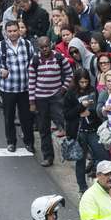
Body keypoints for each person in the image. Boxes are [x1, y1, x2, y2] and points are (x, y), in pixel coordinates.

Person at [0, 20, 36, 153]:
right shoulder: (0, 46)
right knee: (8, 117)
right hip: (7, 89)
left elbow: (34, 61)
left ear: (19, 31)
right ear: (6, 32)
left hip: (25, 89)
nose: (13, 33)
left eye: (15, 30)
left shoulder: (27, 45)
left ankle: (29, 142)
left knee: (26, 118)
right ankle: (11, 142)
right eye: (10, 31)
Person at [28, 36, 73, 167]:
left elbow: (69, 74)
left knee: (63, 123)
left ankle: (70, 152)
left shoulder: (59, 58)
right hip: (40, 98)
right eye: (42, 47)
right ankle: (48, 157)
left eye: (46, 46)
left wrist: (63, 89)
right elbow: (31, 82)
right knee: (43, 129)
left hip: (56, 97)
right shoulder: (35, 61)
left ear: (51, 45)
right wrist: (32, 102)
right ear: (38, 48)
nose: (45, 49)